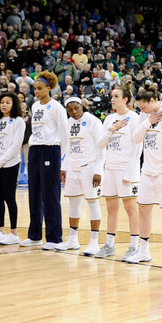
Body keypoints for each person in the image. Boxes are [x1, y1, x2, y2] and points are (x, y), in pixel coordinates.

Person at [127, 87, 162, 264]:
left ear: (152, 101)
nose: (141, 111)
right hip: (148, 170)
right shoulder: (145, 116)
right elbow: (136, 139)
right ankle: (144, 251)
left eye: (143, 107)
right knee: (143, 208)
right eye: (139, 108)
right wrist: (147, 121)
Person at [96, 83, 142, 258]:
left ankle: (134, 246)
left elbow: (138, 148)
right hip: (110, 168)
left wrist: (130, 172)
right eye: (112, 96)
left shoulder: (134, 118)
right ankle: (109, 245)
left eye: (116, 96)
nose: (112, 99)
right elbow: (100, 144)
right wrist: (112, 129)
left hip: (126, 169)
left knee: (131, 208)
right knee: (111, 208)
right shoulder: (109, 119)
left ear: (125, 99)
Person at [23, 71, 69, 248]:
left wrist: (60, 158)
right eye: (34, 88)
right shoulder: (35, 106)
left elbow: (64, 135)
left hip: (51, 151)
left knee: (50, 196)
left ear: (49, 88)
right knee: (34, 193)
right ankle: (34, 235)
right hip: (35, 150)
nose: (36, 91)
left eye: (40, 88)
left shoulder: (57, 107)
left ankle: (54, 237)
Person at [60, 97, 104, 252]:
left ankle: (94, 242)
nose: (74, 112)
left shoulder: (94, 121)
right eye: (70, 110)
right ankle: (72, 239)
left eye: (76, 108)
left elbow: (101, 147)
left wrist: (98, 170)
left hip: (90, 167)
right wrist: (64, 167)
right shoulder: (69, 123)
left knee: (92, 202)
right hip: (73, 167)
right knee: (73, 203)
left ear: (82, 105)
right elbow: (69, 147)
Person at [0, 92, 26, 245]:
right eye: (2, 102)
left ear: (14, 104)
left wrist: (0, 162)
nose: (4, 105)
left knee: (9, 198)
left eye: (8, 102)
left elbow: (16, 146)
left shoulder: (18, 121)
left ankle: (14, 233)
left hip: (9, 164)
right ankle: (0, 231)